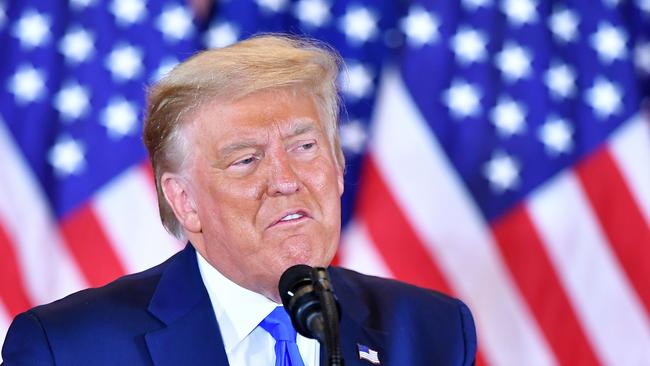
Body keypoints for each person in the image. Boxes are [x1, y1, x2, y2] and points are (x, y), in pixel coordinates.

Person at [1, 35, 477, 365]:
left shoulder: (432, 331)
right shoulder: (67, 350)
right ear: (184, 201)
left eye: (305, 147)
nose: (286, 180)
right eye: (246, 160)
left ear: (338, 166)